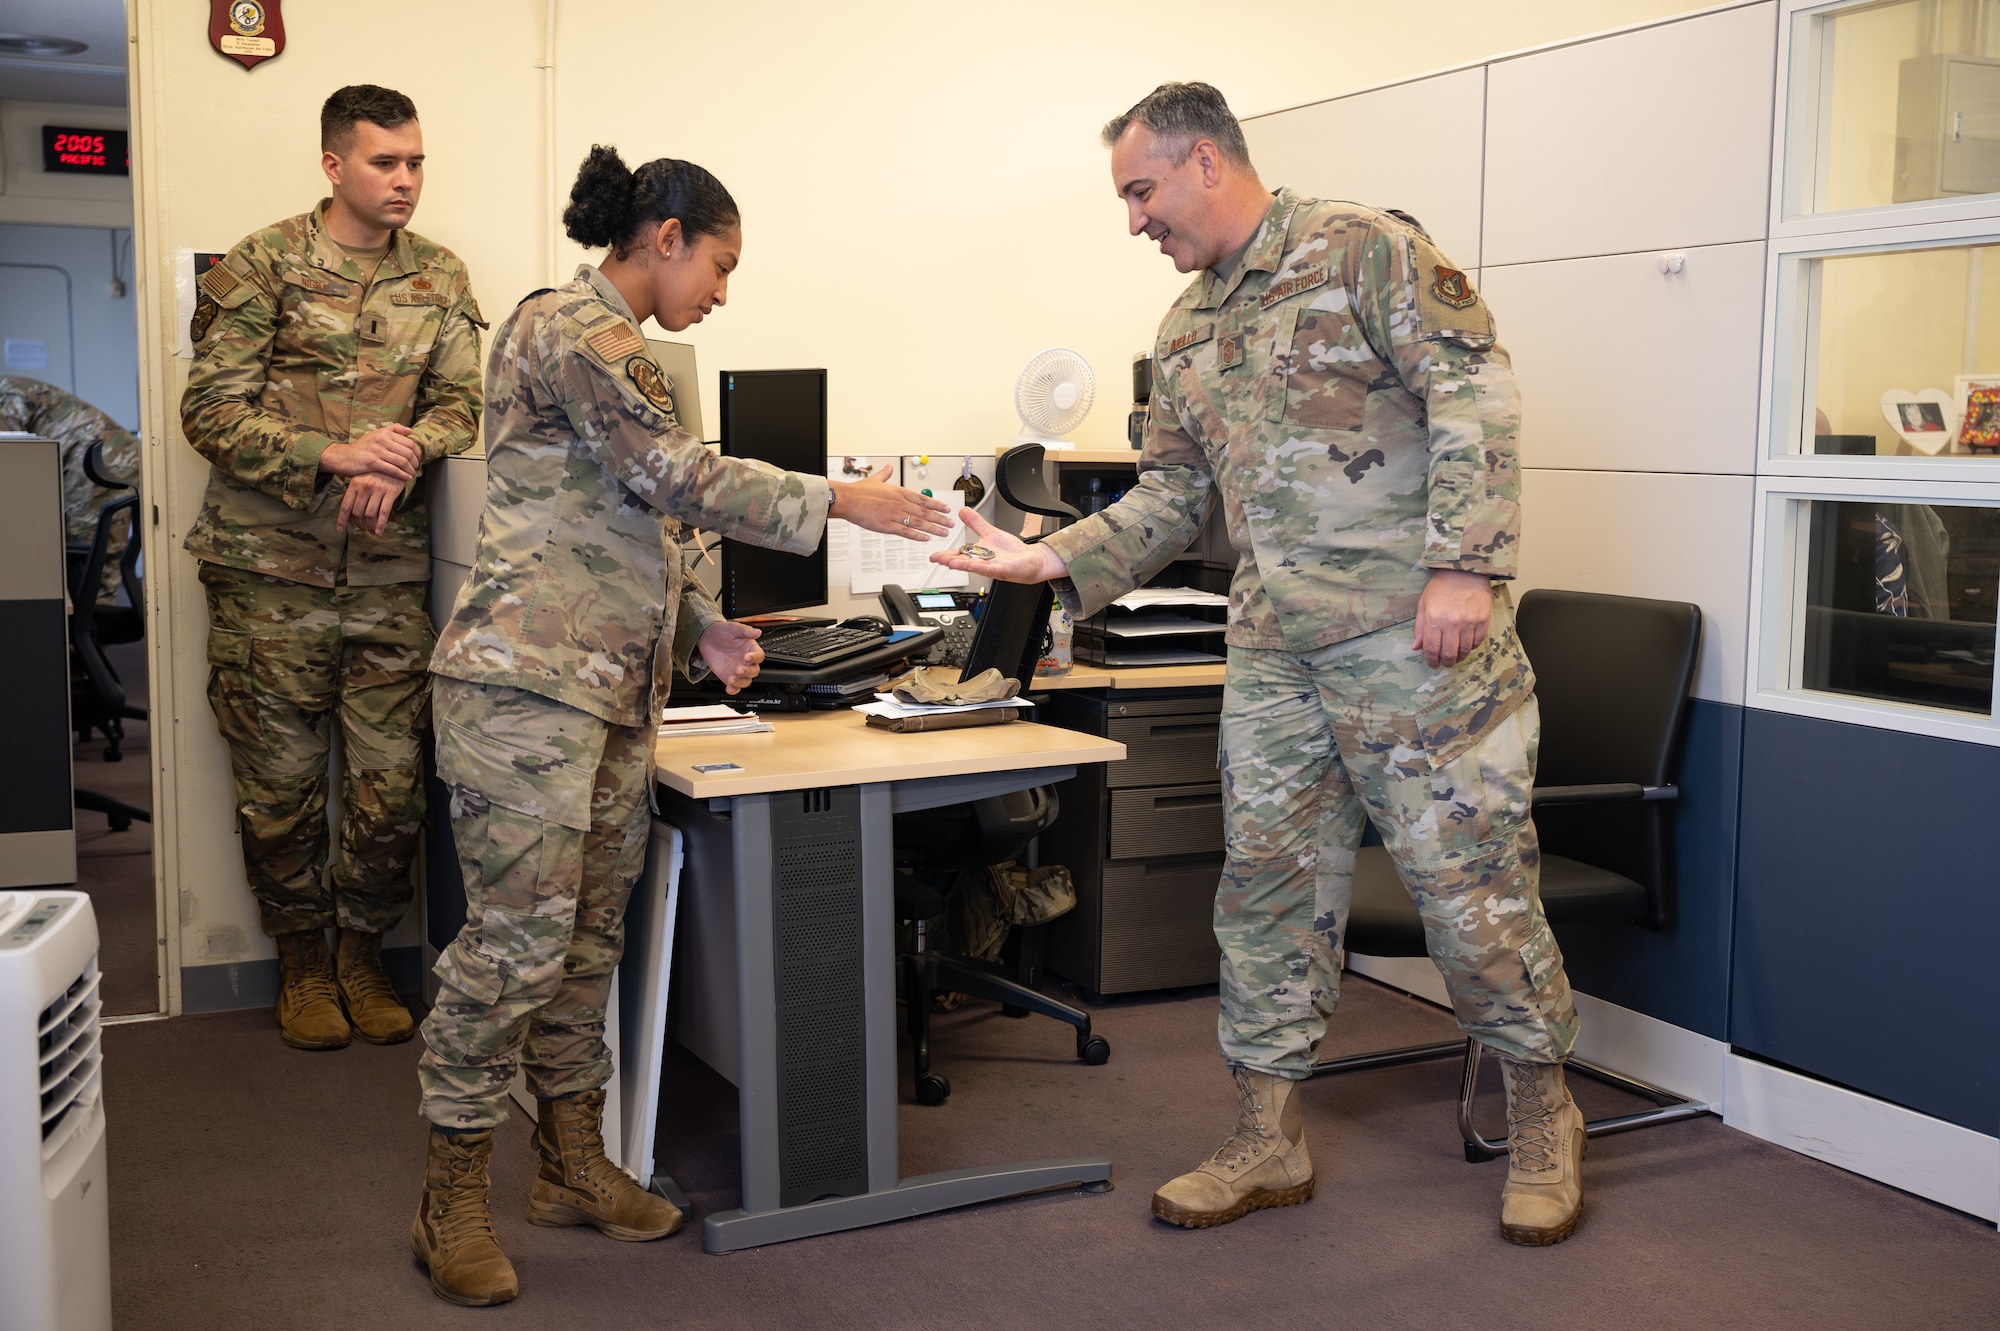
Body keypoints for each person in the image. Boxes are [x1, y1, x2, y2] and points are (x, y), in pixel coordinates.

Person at [937, 82, 1586, 1246]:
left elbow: (1471, 391)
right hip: (1277, 653)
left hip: (1412, 639)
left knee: (1469, 889)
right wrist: (1050, 561)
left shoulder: (1361, 249)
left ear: (1202, 161)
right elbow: (1175, 495)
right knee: (1266, 896)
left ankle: (1544, 1113)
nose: (1133, 219)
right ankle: (1266, 1131)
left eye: (1139, 191)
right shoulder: (1185, 328)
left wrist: (1465, 566)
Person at [413, 144, 952, 1307]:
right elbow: (670, 476)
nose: (719, 289)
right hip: (525, 690)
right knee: (508, 952)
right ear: (663, 237)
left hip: (608, 689)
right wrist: (838, 497)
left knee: (585, 947)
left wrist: (701, 621)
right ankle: (448, 1194)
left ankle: (568, 1162)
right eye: (719, 262)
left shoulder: (622, 347)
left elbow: (628, 515)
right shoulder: (574, 328)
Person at [180, 85, 483, 1053]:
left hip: (391, 575)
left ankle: (362, 952)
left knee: (392, 788)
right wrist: (331, 454)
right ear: (333, 166)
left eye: (415, 162)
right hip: (267, 572)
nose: (404, 180)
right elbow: (209, 412)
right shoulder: (262, 264)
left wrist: (403, 448)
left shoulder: (439, 275)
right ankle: (302, 960)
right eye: (384, 162)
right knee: (278, 790)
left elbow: (463, 405)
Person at [0, 376, 141, 602]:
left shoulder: (5, 394)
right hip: (103, 459)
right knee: (91, 553)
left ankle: (97, 627)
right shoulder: (10, 387)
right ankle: (90, 625)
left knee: (95, 555)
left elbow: (9, 454)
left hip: (104, 464)